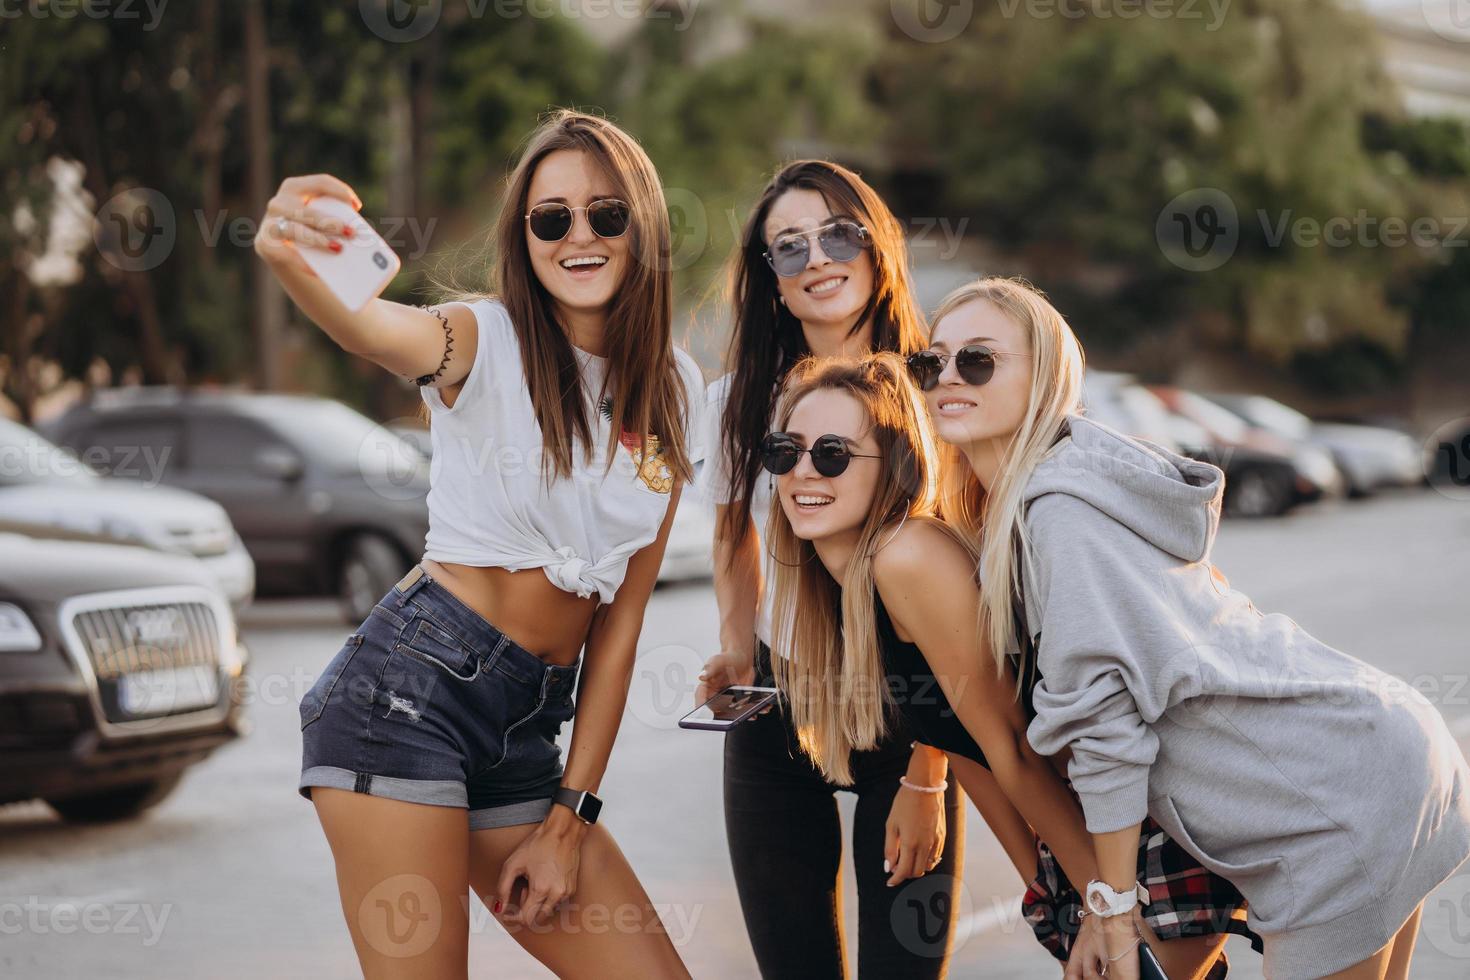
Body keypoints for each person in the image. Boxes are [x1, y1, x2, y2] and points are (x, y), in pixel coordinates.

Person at [254, 109, 702, 979]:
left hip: (530, 723)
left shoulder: (676, 389)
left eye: (607, 215)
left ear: (641, 227)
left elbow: (622, 625)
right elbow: (370, 327)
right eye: (551, 217)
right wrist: (291, 258)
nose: (579, 235)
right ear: (523, 234)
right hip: (406, 698)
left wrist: (571, 817)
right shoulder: (478, 338)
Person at [919, 275, 1470, 980]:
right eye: (931, 362)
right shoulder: (1043, 499)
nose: (947, 378)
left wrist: (1112, 910)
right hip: (1379, 755)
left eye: (978, 359)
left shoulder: (1062, 515)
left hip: (1339, 802)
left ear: (1047, 376)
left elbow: (1108, 729)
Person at [760, 352, 1262, 980]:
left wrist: (1104, 905)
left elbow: (1015, 749)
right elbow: (965, 746)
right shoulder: (858, 587)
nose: (803, 472)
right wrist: (1053, 899)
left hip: (1136, 823)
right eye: (786, 451)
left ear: (893, 465)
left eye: (832, 453)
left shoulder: (906, 557)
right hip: (1090, 839)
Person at [694, 160, 965, 977]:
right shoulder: (737, 400)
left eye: (838, 234)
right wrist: (737, 650)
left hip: (911, 715)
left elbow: (971, 596)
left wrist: (928, 779)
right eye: (789, 247)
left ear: (876, 249)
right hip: (779, 708)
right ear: (771, 280)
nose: (817, 258)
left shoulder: (939, 389)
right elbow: (731, 539)